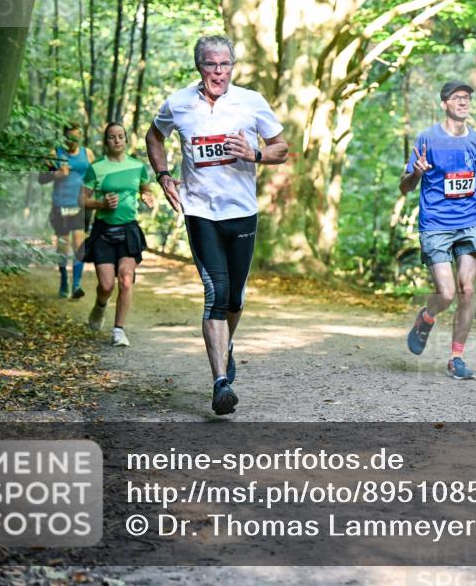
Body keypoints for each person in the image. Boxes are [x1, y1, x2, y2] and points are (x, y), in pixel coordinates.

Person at [145, 35, 288, 416]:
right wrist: (163, 176)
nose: (218, 72)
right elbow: (154, 136)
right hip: (199, 211)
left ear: (233, 67)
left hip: (241, 211)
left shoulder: (251, 101)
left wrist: (255, 153)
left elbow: (282, 148)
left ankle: (225, 347)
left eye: (225, 65)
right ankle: (220, 383)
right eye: (211, 64)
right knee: (216, 292)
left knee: (235, 298)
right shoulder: (178, 103)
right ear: (199, 66)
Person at [401, 80, 476, 380]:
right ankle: (426, 318)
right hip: (436, 225)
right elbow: (404, 187)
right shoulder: (427, 138)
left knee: (467, 290)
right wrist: (416, 171)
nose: (463, 102)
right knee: (447, 293)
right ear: (444, 104)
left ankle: (456, 357)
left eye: (467, 97)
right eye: (457, 98)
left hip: (469, 222)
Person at [80, 123, 155, 347]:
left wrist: (147, 197)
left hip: (128, 230)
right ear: (106, 141)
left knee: (125, 280)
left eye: (121, 136)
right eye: (112, 137)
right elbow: (81, 200)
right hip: (103, 231)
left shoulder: (138, 166)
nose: (117, 141)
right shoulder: (96, 167)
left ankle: (118, 330)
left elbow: (146, 189)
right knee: (106, 285)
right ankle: (99, 307)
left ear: (126, 140)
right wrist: (100, 203)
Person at [38, 123, 93, 298]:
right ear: (64, 137)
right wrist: (56, 174)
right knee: (63, 245)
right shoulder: (55, 154)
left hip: (80, 205)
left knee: (78, 243)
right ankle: (64, 280)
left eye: (76, 137)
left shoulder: (88, 154)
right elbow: (41, 178)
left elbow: (96, 176)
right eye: (70, 138)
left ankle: (76, 285)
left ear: (81, 136)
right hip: (60, 205)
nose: (73, 141)